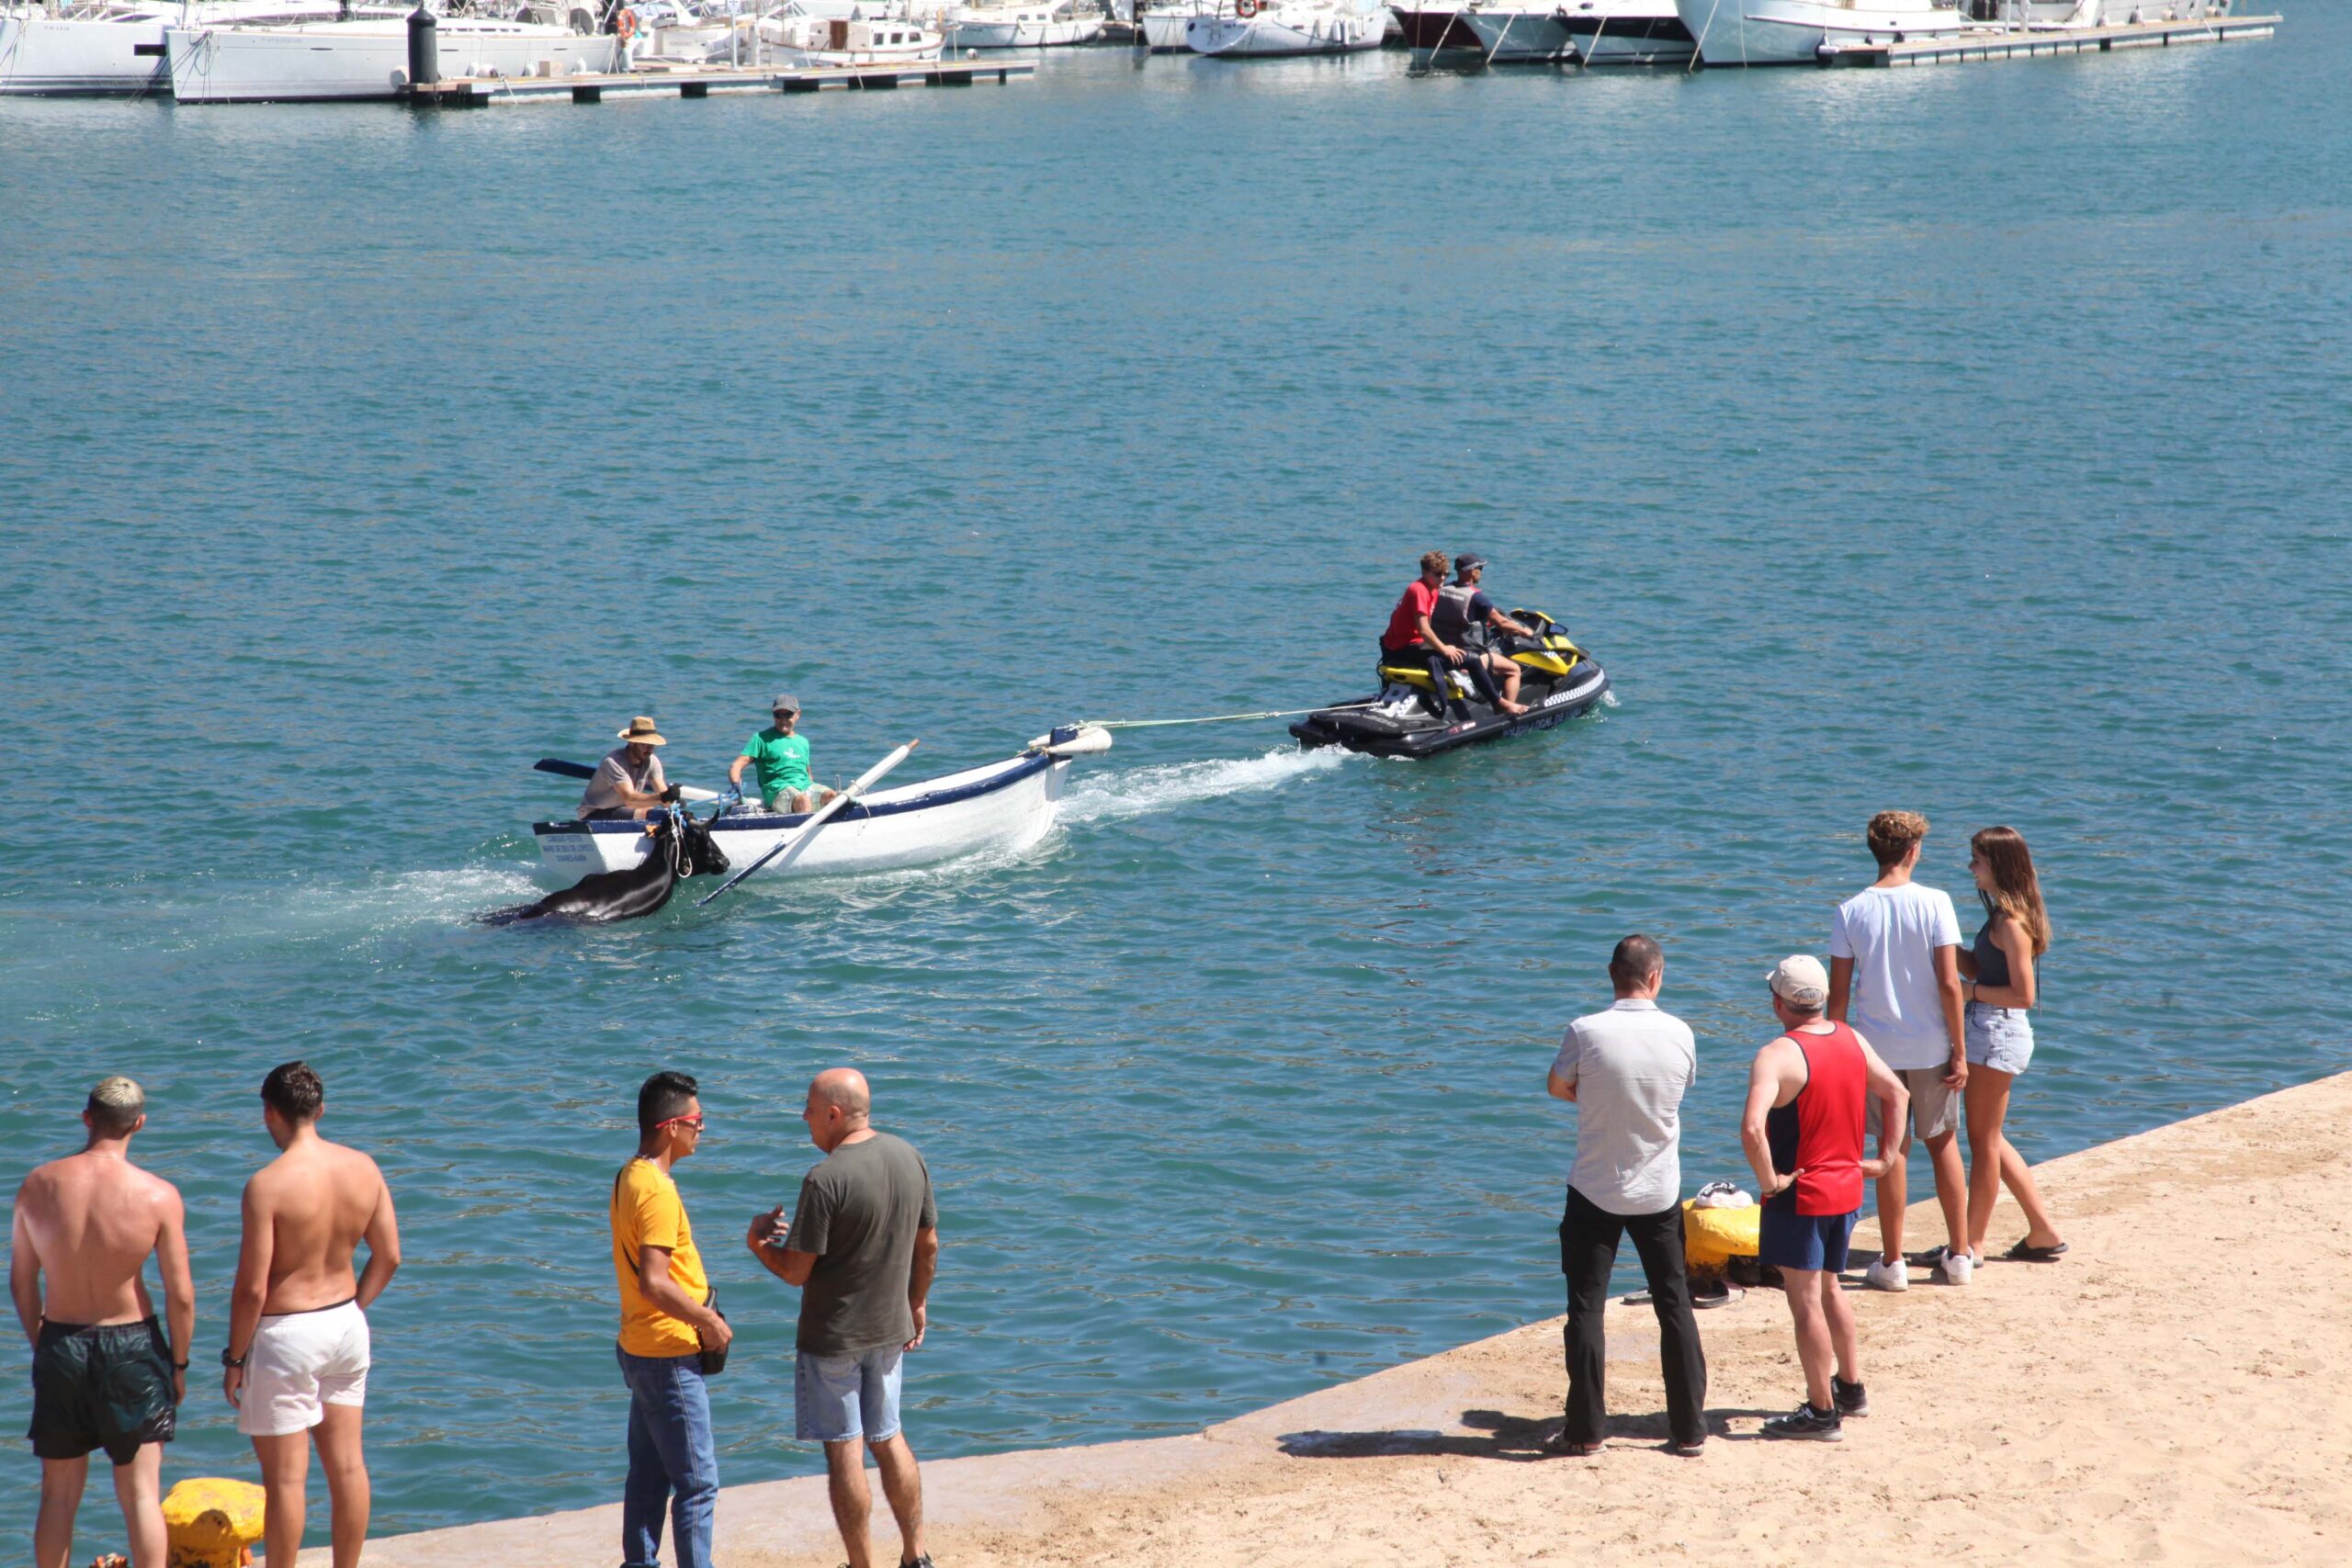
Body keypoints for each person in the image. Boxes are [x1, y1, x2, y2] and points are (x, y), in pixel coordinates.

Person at [746, 1069, 938, 1568]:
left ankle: (860, 1564)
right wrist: (917, 1302)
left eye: (809, 1109)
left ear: (833, 1114)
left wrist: (760, 1246)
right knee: (890, 1437)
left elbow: (796, 1271)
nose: (804, 1118)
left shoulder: (825, 1178)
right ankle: (915, 1557)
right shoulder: (909, 1156)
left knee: (846, 1450)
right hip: (890, 1331)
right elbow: (929, 1243)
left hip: (834, 1339)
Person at [222, 1062, 401, 1568]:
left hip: (285, 1335)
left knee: (285, 1481)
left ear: (269, 1113)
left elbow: (252, 1288)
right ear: (320, 1110)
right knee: (348, 1467)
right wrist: (353, 1308)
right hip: (346, 1323)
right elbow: (389, 1256)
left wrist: (234, 1358)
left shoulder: (267, 1185)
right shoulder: (363, 1167)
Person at [12, 1077, 194, 1568]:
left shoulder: (38, 1184)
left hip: (62, 1343)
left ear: (86, 1118)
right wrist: (178, 1364)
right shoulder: (158, 1196)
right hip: (133, 1347)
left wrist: (42, 1343)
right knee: (140, 1495)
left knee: (58, 1497)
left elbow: (23, 1283)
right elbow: (181, 1294)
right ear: (140, 1123)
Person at [1544, 935, 1706, 1458]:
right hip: (1659, 1192)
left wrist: (1592, 1094)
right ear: (1655, 976)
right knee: (1674, 1304)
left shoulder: (1584, 1031)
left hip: (1594, 1188)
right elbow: (1681, 1090)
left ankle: (1586, 1430)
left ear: (1611, 974)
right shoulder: (1680, 1033)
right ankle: (1688, 1430)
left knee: (1586, 1309)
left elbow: (1556, 1086)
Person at [1742, 956, 1907, 1442]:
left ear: (1778, 1003)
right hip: (1848, 1190)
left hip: (1803, 1194)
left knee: (1806, 1301)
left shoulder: (1777, 1055)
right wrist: (1886, 1158)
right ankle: (1851, 1389)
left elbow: (1753, 1129)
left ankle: (1821, 1412)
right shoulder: (1850, 1038)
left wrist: (1770, 1181)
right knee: (1831, 1287)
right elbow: (1896, 1093)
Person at [1826, 809, 1971, 1290]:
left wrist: (1833, 1050)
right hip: (1931, 1044)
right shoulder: (1936, 902)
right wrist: (1960, 1049)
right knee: (1944, 1143)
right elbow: (1950, 983)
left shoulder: (1850, 911)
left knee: (1892, 1148)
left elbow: (1840, 994)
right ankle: (1959, 1255)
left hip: (1875, 1051)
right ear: (1914, 851)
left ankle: (1892, 1263)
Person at [612, 1070, 730, 1568]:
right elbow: (655, 1281)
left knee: (648, 1474)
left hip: (638, 1346)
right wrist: (709, 1321)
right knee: (698, 1486)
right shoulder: (657, 1192)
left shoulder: (629, 1175)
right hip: (669, 1352)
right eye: (697, 1121)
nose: (702, 1129)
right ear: (670, 1126)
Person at [1958, 826, 2068, 1265]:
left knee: (1983, 1142)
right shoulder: (2001, 916)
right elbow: (1982, 967)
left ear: (1998, 865)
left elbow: (2023, 995)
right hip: (1993, 1030)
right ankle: (2042, 1230)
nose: (1971, 868)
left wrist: (1970, 994)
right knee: (1991, 1138)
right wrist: (1941, 947)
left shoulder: (2011, 924)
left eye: (1977, 861)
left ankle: (1972, 1244)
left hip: (1997, 1030)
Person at [1377, 551, 1510, 713]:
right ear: (1424, 572)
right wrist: (1445, 649)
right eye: (1438, 574)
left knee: (1456, 653)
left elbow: (1427, 628)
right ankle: (1499, 703)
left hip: (1411, 645)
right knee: (1473, 660)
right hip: (1404, 650)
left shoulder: (1432, 589)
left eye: (1445, 574)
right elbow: (1424, 630)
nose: (1442, 578)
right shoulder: (1419, 590)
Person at [1431, 553, 1533, 716]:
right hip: (1468, 654)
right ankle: (1504, 710)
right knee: (1513, 670)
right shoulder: (1476, 597)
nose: (1481, 571)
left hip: (1442, 649)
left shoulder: (1442, 590)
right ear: (1472, 571)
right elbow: (1503, 623)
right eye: (1480, 568)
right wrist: (1525, 631)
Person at [729, 695, 838, 815]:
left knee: (832, 796)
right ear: (773, 715)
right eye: (778, 715)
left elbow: (808, 774)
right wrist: (735, 784)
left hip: (804, 786)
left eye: (788, 715)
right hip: (776, 790)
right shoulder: (760, 739)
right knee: (803, 801)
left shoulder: (803, 742)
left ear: (798, 714)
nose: (783, 720)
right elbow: (737, 765)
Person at [580, 716, 682, 821]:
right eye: (645, 745)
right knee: (648, 813)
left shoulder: (652, 761)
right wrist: (662, 797)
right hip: (594, 814)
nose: (650, 750)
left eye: (652, 746)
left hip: (627, 810)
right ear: (632, 743)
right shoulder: (613, 762)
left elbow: (663, 795)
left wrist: (672, 800)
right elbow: (630, 799)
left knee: (659, 813)